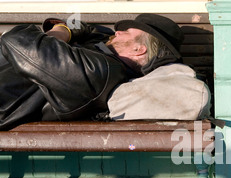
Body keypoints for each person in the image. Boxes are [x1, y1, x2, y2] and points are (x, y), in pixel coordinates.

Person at [0, 13, 185, 130]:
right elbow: (80, 23)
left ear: (139, 49)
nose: (117, 32)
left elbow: (16, 40)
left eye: (127, 32)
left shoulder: (99, 71)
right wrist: (66, 29)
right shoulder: (103, 48)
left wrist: (60, 34)